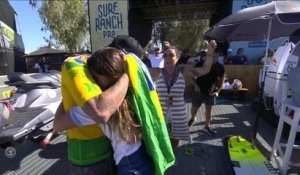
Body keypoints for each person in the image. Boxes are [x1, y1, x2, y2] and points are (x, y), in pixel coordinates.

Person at [55, 48, 156, 175]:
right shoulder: (133, 92)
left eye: (93, 79)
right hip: (144, 156)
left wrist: (71, 93)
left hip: (129, 165)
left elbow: (57, 125)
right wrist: (126, 73)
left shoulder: (95, 110)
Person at [54, 53, 129, 175]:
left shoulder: (89, 111)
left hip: (93, 159)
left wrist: (125, 75)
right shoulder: (122, 97)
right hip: (108, 158)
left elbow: (57, 125)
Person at [155, 41, 217, 150]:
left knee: (175, 137)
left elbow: (205, 69)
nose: (168, 58)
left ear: (177, 58)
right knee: (160, 137)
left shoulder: (184, 72)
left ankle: (173, 155)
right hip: (161, 111)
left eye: (171, 55)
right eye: (165, 55)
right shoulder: (157, 72)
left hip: (178, 113)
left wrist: (210, 54)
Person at [188, 48, 225, 135]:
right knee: (194, 108)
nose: (214, 58)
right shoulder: (201, 64)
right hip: (198, 91)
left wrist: (218, 91)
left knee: (209, 109)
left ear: (218, 56)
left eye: (215, 56)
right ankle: (193, 118)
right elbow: (192, 76)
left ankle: (207, 126)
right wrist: (196, 86)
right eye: (212, 56)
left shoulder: (220, 67)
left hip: (211, 92)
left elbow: (221, 81)